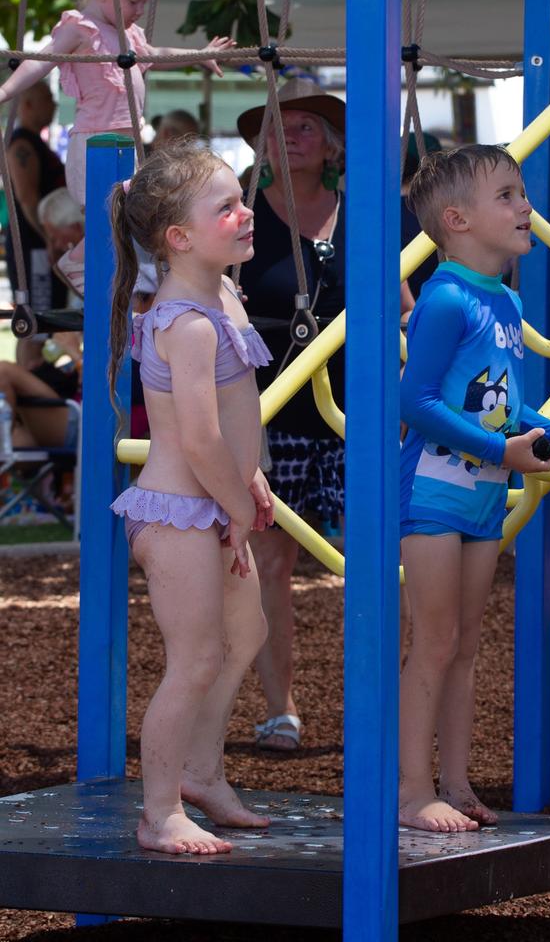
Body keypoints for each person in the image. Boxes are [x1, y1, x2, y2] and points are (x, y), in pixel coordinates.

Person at [399, 145, 550, 832]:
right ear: (456, 220)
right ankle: (409, 791)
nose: (526, 207)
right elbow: (417, 402)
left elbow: (507, 405)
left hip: (482, 496)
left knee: (462, 644)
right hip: (433, 493)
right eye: (509, 196)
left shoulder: (507, 301)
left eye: (522, 193)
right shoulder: (447, 299)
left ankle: (456, 783)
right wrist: (503, 451)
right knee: (432, 641)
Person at [237, 79, 417, 750]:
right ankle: (280, 707)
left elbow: (401, 303)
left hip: (358, 415)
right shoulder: (245, 216)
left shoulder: (363, 214)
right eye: (280, 125)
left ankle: (391, 696)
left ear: (334, 146)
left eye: (307, 125)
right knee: (273, 562)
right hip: (275, 412)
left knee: (381, 555)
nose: (292, 135)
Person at [107, 141, 274, 855]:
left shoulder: (222, 295)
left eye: (242, 200)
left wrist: (252, 479)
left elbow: (240, 413)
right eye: (226, 208)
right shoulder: (187, 322)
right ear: (178, 239)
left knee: (248, 636)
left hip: (217, 503)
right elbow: (200, 440)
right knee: (196, 658)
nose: (245, 214)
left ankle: (203, 773)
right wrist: (238, 505)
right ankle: (159, 810)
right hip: (181, 513)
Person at [0, 0, 234, 295]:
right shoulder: (81, 29)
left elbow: (158, 53)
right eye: (133, 1)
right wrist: (5, 91)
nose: (140, 10)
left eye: (144, 2)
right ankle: (79, 263)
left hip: (128, 144)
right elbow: (39, 59)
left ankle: (127, 276)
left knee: (137, 214)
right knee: (111, 217)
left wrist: (199, 54)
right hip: (95, 142)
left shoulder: (129, 36)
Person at [4, 82, 67, 316]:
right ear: (29, 104)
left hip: (42, 245)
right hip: (33, 247)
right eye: (48, 99)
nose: (54, 104)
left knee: (49, 317)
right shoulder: (22, 144)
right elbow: (27, 197)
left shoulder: (34, 142)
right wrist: (49, 238)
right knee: (37, 322)